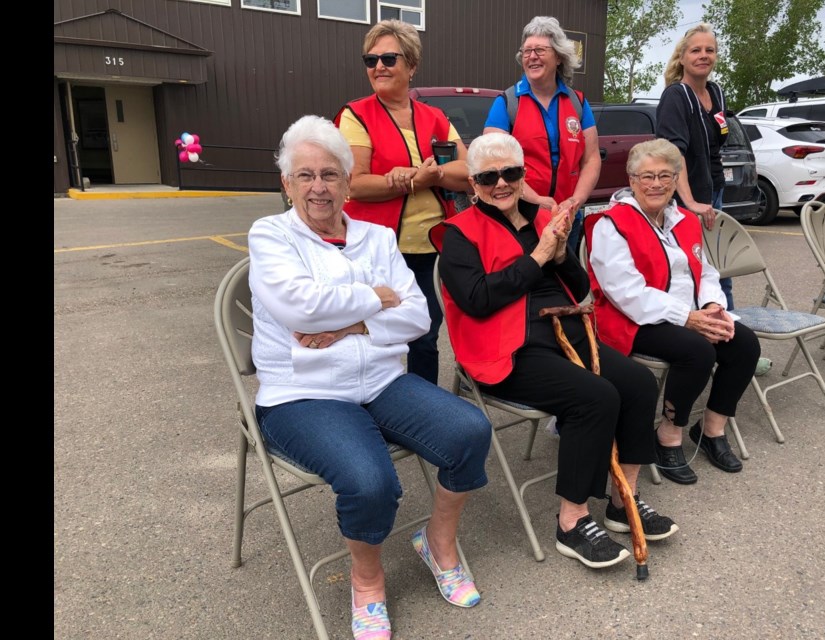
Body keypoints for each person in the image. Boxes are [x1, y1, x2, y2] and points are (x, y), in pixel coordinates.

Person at [251, 115, 491, 640]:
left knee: (470, 430)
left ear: (345, 179)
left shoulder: (376, 237)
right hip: (302, 393)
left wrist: (352, 323)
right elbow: (300, 308)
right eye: (306, 175)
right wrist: (377, 300)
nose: (319, 187)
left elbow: (419, 318)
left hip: (380, 381)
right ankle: (367, 582)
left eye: (331, 174)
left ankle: (438, 543)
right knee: (370, 480)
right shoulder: (270, 235)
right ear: (286, 184)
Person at [433, 132, 677, 571]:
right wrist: (537, 258)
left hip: (567, 331)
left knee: (639, 383)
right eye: (489, 176)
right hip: (509, 346)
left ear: (523, 175)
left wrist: (560, 256)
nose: (502, 183)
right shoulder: (458, 234)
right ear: (473, 185)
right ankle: (572, 520)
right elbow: (477, 300)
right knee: (595, 397)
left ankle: (625, 500)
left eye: (511, 172)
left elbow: (582, 289)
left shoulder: (541, 219)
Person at [585, 138, 761, 486]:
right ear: (632, 180)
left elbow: (705, 271)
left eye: (665, 175)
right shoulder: (612, 223)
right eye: (647, 176)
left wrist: (712, 307)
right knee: (697, 351)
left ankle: (711, 430)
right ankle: (668, 434)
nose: (656, 184)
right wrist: (688, 318)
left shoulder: (683, 219)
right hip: (633, 319)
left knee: (743, 343)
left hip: (688, 314)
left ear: (676, 179)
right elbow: (625, 292)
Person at [331, 19, 470, 386]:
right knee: (377, 333)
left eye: (389, 58)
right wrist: (412, 181)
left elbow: (468, 170)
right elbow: (355, 185)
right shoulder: (356, 115)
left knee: (425, 336)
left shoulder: (434, 117)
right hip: (376, 250)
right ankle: (378, 405)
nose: (378, 67)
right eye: (370, 59)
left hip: (429, 249)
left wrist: (429, 176)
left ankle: (425, 414)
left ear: (411, 65)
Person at [656, 22, 772, 376]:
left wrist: (713, 193)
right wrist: (690, 201)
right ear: (683, 56)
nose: (703, 55)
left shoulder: (716, 93)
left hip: (713, 194)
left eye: (709, 50)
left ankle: (731, 343)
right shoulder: (678, 96)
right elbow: (673, 155)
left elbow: (714, 146)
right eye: (696, 50)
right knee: (696, 273)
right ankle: (715, 347)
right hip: (687, 201)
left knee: (718, 272)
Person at [482, 15, 601, 258]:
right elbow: (493, 163)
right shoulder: (507, 103)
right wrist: (536, 199)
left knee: (564, 286)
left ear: (558, 57)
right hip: (521, 216)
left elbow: (590, 159)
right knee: (528, 284)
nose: (531, 56)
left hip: (567, 217)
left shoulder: (578, 102)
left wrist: (576, 201)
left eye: (539, 50)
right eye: (526, 51)